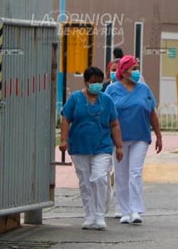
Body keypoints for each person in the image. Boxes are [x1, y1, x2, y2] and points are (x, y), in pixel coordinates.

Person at [59, 67, 123, 230]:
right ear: (86, 82)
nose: (97, 85)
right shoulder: (75, 99)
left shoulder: (107, 100)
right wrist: (64, 140)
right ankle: (89, 215)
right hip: (80, 147)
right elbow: (66, 119)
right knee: (85, 182)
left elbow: (114, 124)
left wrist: (119, 146)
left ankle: (100, 215)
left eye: (99, 82)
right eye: (93, 82)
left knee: (100, 178)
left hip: (102, 146)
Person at [104, 55, 162, 224]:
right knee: (121, 174)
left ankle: (136, 210)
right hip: (119, 139)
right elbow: (106, 114)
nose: (137, 72)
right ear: (124, 70)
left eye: (138, 68)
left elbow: (152, 113)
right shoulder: (111, 90)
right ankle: (124, 210)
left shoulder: (144, 90)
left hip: (140, 137)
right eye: (134, 68)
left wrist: (158, 135)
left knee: (135, 173)